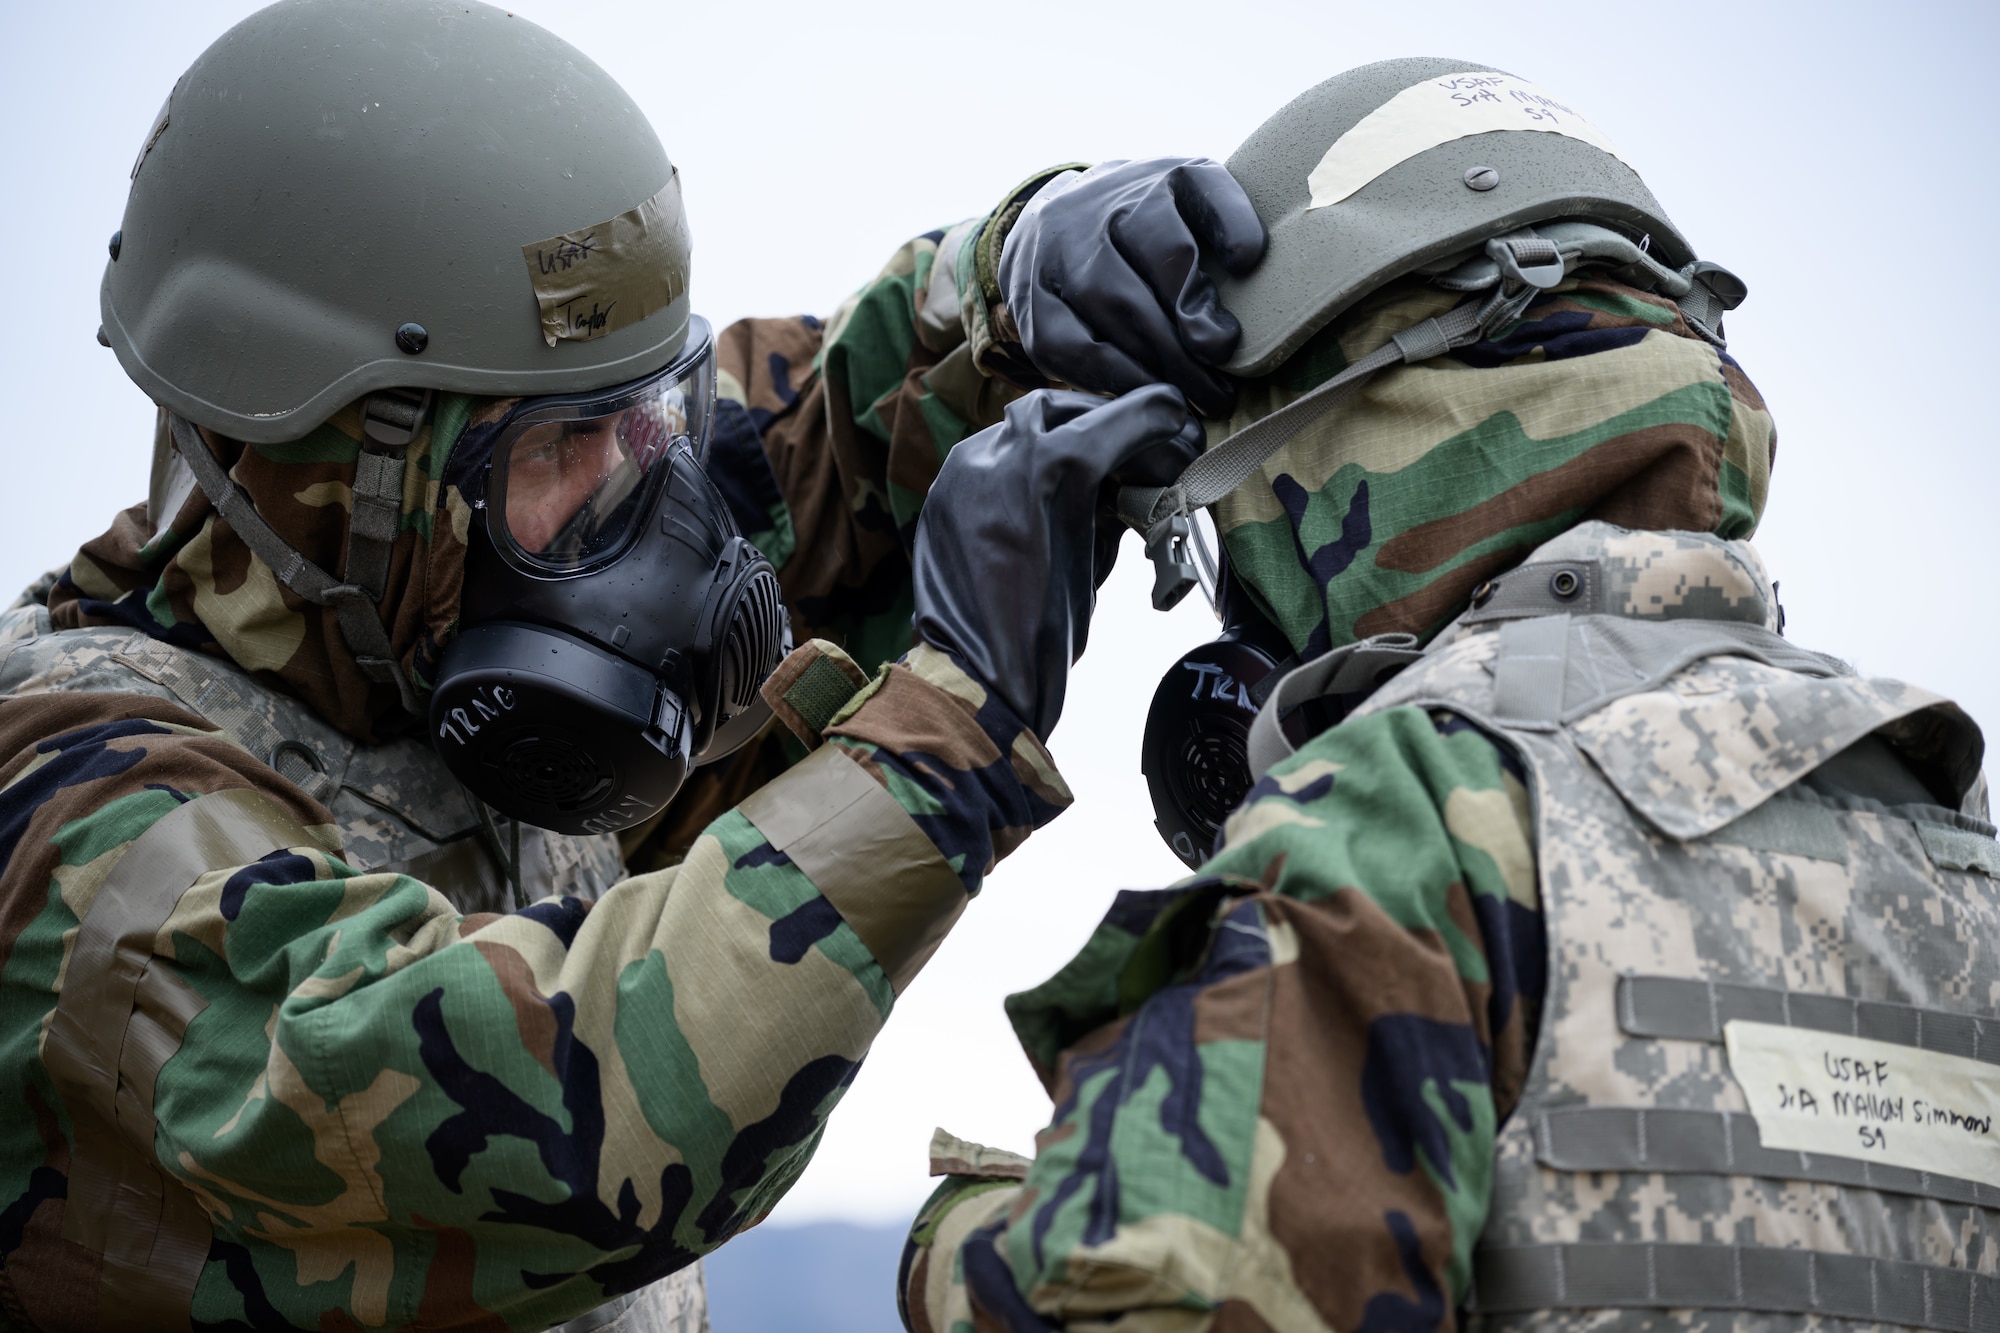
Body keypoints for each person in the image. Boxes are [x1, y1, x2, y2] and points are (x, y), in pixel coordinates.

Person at [0, 2, 1247, 1329]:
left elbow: (812, 435)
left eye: (636, 419)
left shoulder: (423, 609)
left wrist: (1018, 291)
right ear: (337, 475)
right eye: (555, 448)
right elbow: (543, 1110)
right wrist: (949, 743)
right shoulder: (72, 836)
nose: (635, 503)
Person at [899, 58, 1999, 1332]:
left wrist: (975, 1239)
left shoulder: (1414, 808)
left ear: (1341, 433)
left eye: (1224, 520)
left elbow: (1144, 1303)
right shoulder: (1957, 836)